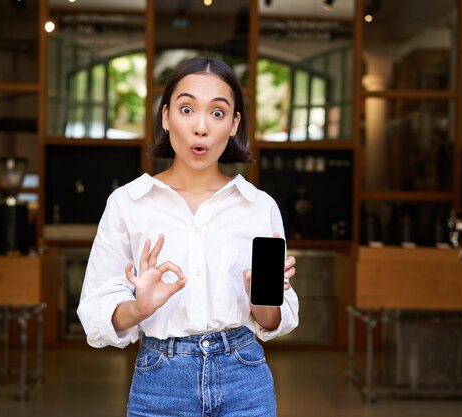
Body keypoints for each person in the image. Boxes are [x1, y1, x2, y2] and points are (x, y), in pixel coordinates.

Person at [77, 55, 299, 417]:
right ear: (165, 117)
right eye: (186, 109)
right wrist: (139, 307)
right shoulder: (128, 204)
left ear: (233, 124)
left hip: (244, 378)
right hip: (160, 382)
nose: (201, 127)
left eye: (217, 112)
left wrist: (261, 297)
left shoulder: (259, 207)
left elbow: (272, 321)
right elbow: (96, 316)